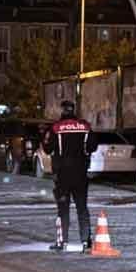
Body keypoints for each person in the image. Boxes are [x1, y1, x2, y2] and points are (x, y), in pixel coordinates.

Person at [42, 100, 98, 252]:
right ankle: (86, 241)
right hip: (81, 174)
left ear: (62, 111)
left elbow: (47, 149)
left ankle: (62, 242)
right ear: (74, 110)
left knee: (63, 209)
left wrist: (44, 137)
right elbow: (93, 146)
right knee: (82, 208)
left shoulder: (55, 128)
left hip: (62, 176)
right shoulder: (85, 126)